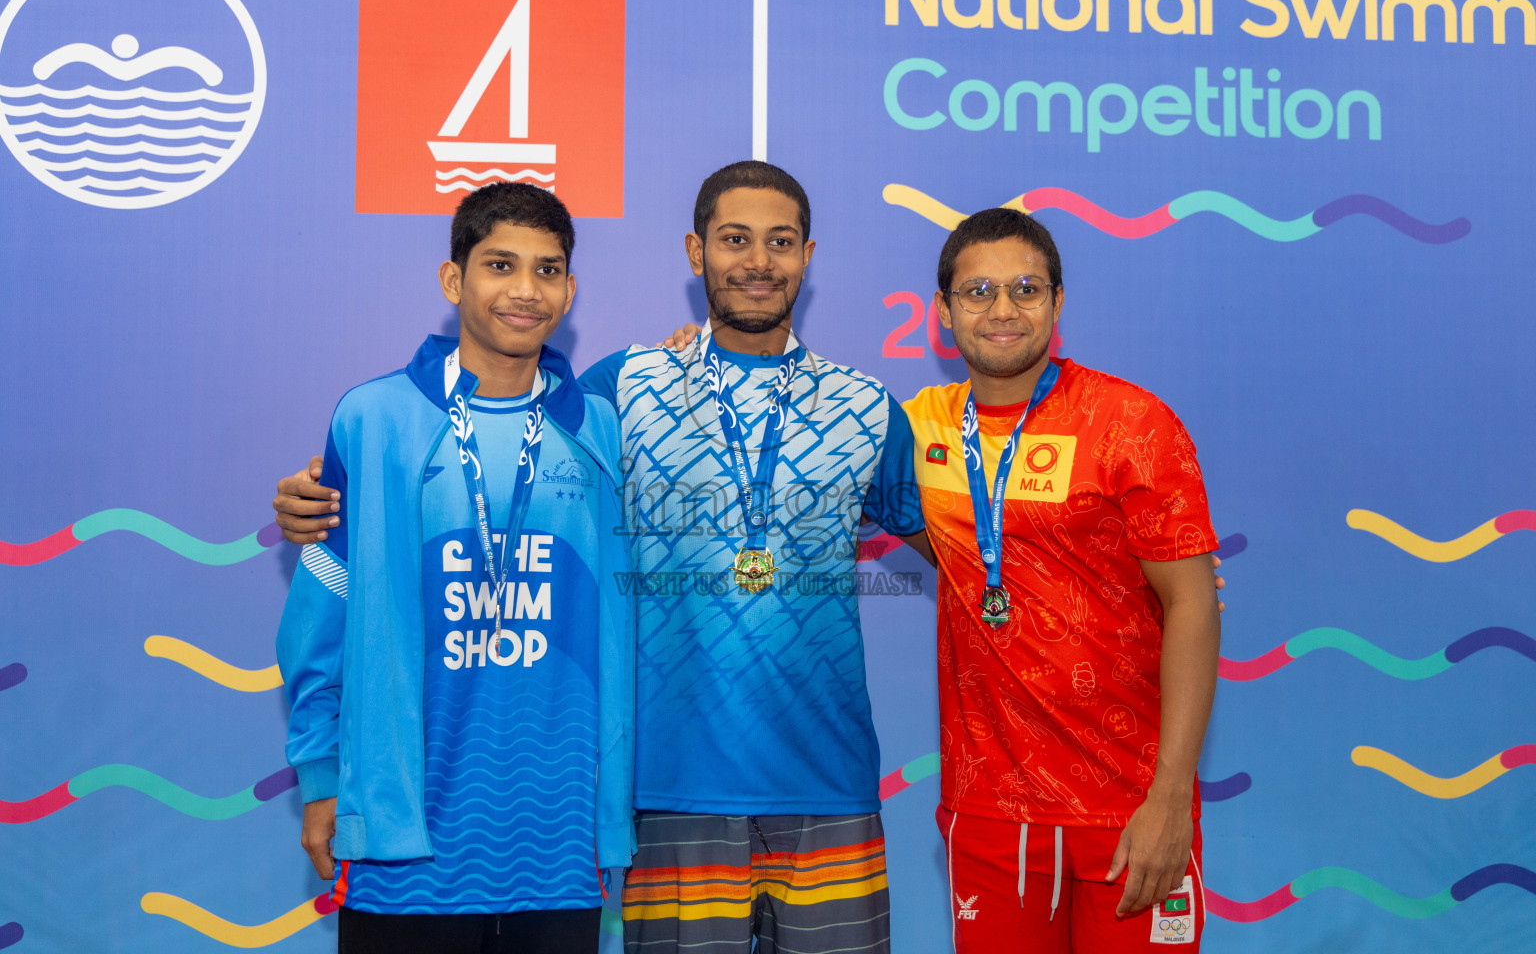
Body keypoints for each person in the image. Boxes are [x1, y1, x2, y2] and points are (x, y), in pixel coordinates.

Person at [278, 162, 930, 954]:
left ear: (807, 255)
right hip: (648, 803)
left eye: (779, 242)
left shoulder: (856, 405)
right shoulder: (618, 393)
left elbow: (953, 543)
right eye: (734, 240)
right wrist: (321, 494)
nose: (757, 261)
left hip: (781, 794)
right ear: (696, 253)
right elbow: (348, 571)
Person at [276, 182, 634, 954]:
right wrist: (319, 777)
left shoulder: (598, 428)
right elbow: (320, 616)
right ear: (453, 280)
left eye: (548, 270)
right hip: (405, 839)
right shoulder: (371, 419)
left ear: (570, 290)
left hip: (557, 838)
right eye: (500, 264)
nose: (525, 290)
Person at [903, 207, 1221, 952]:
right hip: (989, 811)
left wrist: (1173, 796)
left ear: (1057, 301)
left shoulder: (1133, 424)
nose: (1003, 309)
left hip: (1132, 806)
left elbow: (1193, 605)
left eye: (1025, 288)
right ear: (943, 312)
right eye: (977, 292)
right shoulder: (915, 430)